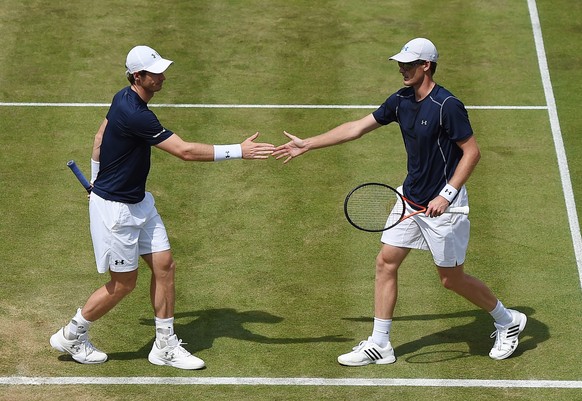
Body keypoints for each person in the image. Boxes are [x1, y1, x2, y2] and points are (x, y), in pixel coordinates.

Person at [273, 38, 527, 366]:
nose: (402, 69)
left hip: (443, 207)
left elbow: (472, 152)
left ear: (427, 65)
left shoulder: (447, 105)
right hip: (409, 198)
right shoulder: (401, 100)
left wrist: (446, 195)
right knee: (386, 262)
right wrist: (308, 144)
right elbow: (357, 128)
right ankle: (380, 344)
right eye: (400, 63)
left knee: (451, 279)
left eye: (409, 64)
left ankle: (508, 321)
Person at [50, 45, 275, 369]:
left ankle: (165, 346)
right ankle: (72, 334)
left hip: (139, 202)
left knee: (165, 265)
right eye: (155, 73)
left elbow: (100, 137)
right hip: (117, 212)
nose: (162, 77)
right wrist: (238, 150)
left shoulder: (122, 98)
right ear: (138, 76)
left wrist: (96, 180)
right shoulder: (136, 113)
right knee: (123, 284)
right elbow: (183, 151)